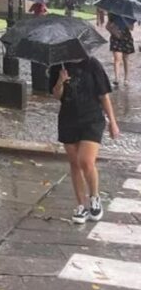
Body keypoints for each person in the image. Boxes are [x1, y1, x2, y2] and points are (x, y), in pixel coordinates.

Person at [49, 57, 119, 224]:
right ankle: (81, 205)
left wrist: (113, 122)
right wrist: (60, 81)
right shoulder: (58, 65)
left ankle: (95, 197)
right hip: (68, 119)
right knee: (74, 163)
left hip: (92, 118)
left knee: (86, 161)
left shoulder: (92, 64)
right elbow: (56, 95)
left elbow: (104, 95)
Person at [107, 13, 135, 86]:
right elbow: (107, 26)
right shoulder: (113, 14)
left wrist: (125, 20)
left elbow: (131, 28)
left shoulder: (130, 15)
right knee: (117, 58)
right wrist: (115, 33)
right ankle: (117, 78)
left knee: (125, 59)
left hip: (126, 38)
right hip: (115, 38)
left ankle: (126, 78)